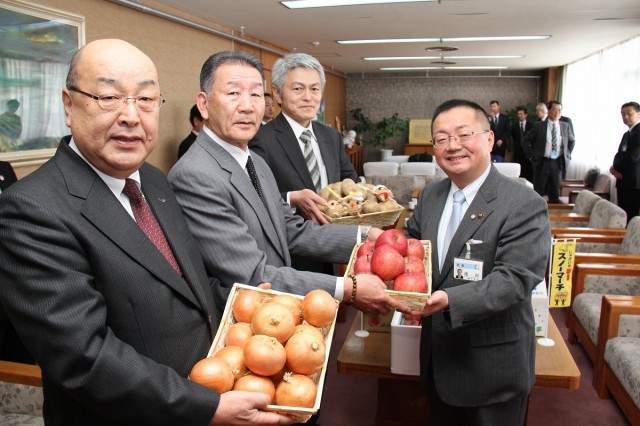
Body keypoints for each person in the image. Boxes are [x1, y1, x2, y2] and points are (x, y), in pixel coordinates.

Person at [0, 39, 295, 426]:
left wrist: (249, 303)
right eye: (108, 97)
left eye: (146, 100)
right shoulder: (32, 208)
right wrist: (204, 408)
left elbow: (187, 286)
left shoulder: (153, 181)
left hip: (212, 384)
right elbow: (84, 356)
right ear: (69, 105)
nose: (131, 116)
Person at [169, 51, 406, 317]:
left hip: (281, 311)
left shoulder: (255, 162)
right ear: (203, 104)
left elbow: (291, 231)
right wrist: (347, 287)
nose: (247, 106)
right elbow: (253, 274)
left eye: (256, 94)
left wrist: (364, 235)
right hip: (247, 325)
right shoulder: (195, 175)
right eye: (233, 93)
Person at [406, 99, 550, 426]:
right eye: (441, 138)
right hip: (438, 360)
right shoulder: (431, 196)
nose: (452, 146)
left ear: (488, 138)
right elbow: (414, 249)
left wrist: (449, 301)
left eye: (463, 134)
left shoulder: (523, 203)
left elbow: (514, 279)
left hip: (493, 368)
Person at [249, 52, 358, 274]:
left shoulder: (331, 136)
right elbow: (252, 200)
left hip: (336, 248)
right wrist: (292, 199)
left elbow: (351, 181)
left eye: (315, 89)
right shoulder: (261, 139)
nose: (308, 97)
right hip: (294, 259)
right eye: (298, 89)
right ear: (278, 94)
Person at [522, 100, 575, 203]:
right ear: (549, 110)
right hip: (542, 162)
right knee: (538, 192)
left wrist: (567, 155)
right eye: (554, 110)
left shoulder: (565, 126)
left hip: (557, 162)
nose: (557, 112)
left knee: (555, 192)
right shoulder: (539, 125)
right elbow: (525, 140)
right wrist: (530, 156)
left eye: (559, 110)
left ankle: (553, 216)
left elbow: (572, 142)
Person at [610, 101, 640, 224]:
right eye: (623, 114)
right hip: (622, 180)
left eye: (629, 113)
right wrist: (614, 168)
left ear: (638, 114)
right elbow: (619, 154)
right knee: (624, 214)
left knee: (631, 217)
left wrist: (616, 168)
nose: (625, 117)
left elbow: (632, 157)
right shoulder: (626, 134)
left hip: (633, 181)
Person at [510, 107, 534, 181]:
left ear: (526, 115)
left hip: (528, 151)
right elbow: (514, 138)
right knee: (518, 169)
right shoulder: (514, 126)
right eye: (518, 114)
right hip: (518, 151)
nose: (519, 115)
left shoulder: (531, 125)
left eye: (521, 114)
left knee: (528, 169)